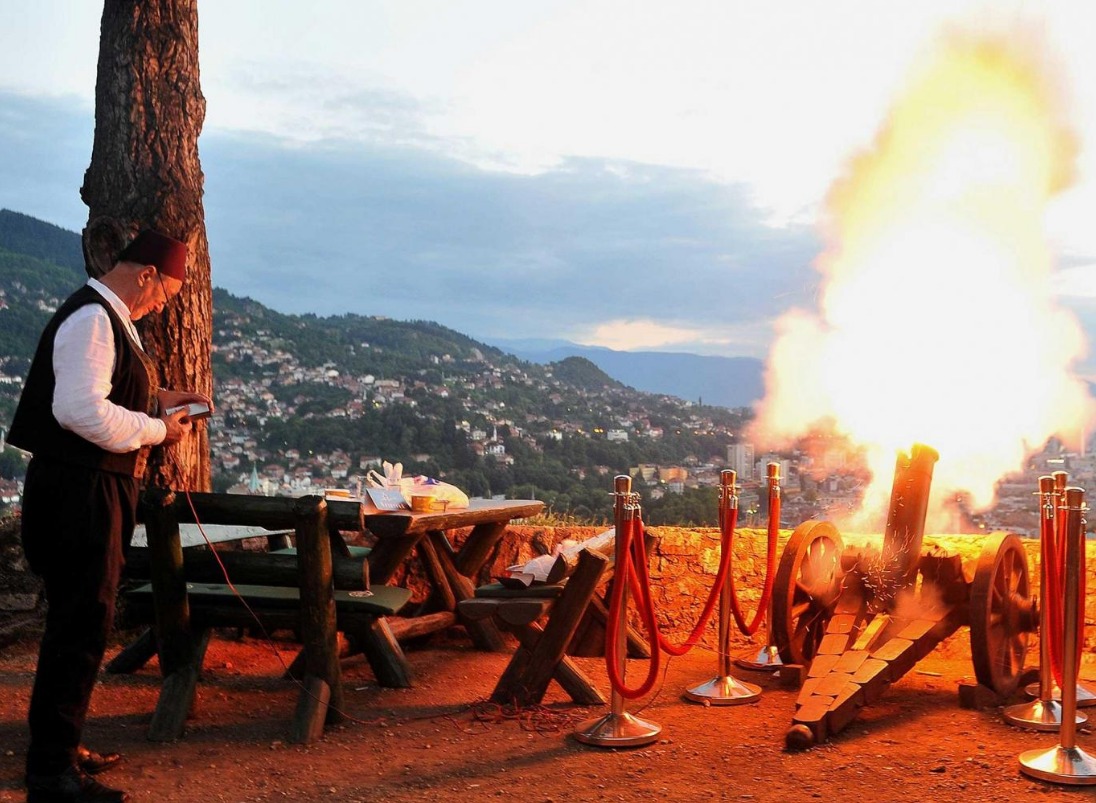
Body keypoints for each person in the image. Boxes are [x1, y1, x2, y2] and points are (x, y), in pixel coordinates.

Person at [8, 230, 212, 803]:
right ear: (146, 273)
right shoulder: (95, 319)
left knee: (81, 626)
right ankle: (51, 775)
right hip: (81, 490)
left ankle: (61, 748)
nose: (165, 303)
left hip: (91, 486)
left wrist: (158, 396)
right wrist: (157, 429)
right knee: (79, 628)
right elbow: (78, 410)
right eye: (167, 291)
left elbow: (102, 392)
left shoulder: (106, 319)